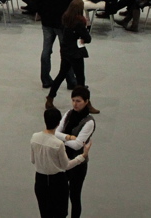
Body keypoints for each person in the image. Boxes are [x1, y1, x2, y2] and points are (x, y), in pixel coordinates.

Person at [31, 107, 90, 218]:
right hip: (57, 182)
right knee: (60, 213)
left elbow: (33, 160)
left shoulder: (34, 137)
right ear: (58, 123)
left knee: (45, 213)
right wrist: (82, 156)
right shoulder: (58, 144)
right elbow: (66, 165)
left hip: (40, 180)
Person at [37, 0, 77, 90]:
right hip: (62, 23)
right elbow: (73, 4)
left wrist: (42, 14)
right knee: (66, 51)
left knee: (46, 50)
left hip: (47, 21)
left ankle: (45, 79)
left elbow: (38, 1)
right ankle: (71, 80)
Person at [56, 87, 96, 218]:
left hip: (78, 164)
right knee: (61, 193)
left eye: (78, 101)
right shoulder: (68, 114)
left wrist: (63, 138)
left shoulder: (89, 122)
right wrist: (69, 137)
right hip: (63, 159)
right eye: (73, 100)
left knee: (74, 195)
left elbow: (77, 145)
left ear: (86, 101)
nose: (75, 104)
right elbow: (56, 132)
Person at [45, 0, 91, 110]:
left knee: (61, 75)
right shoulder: (79, 23)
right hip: (76, 53)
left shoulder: (65, 19)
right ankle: (85, 104)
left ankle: (50, 98)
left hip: (65, 51)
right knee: (80, 79)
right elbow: (88, 38)